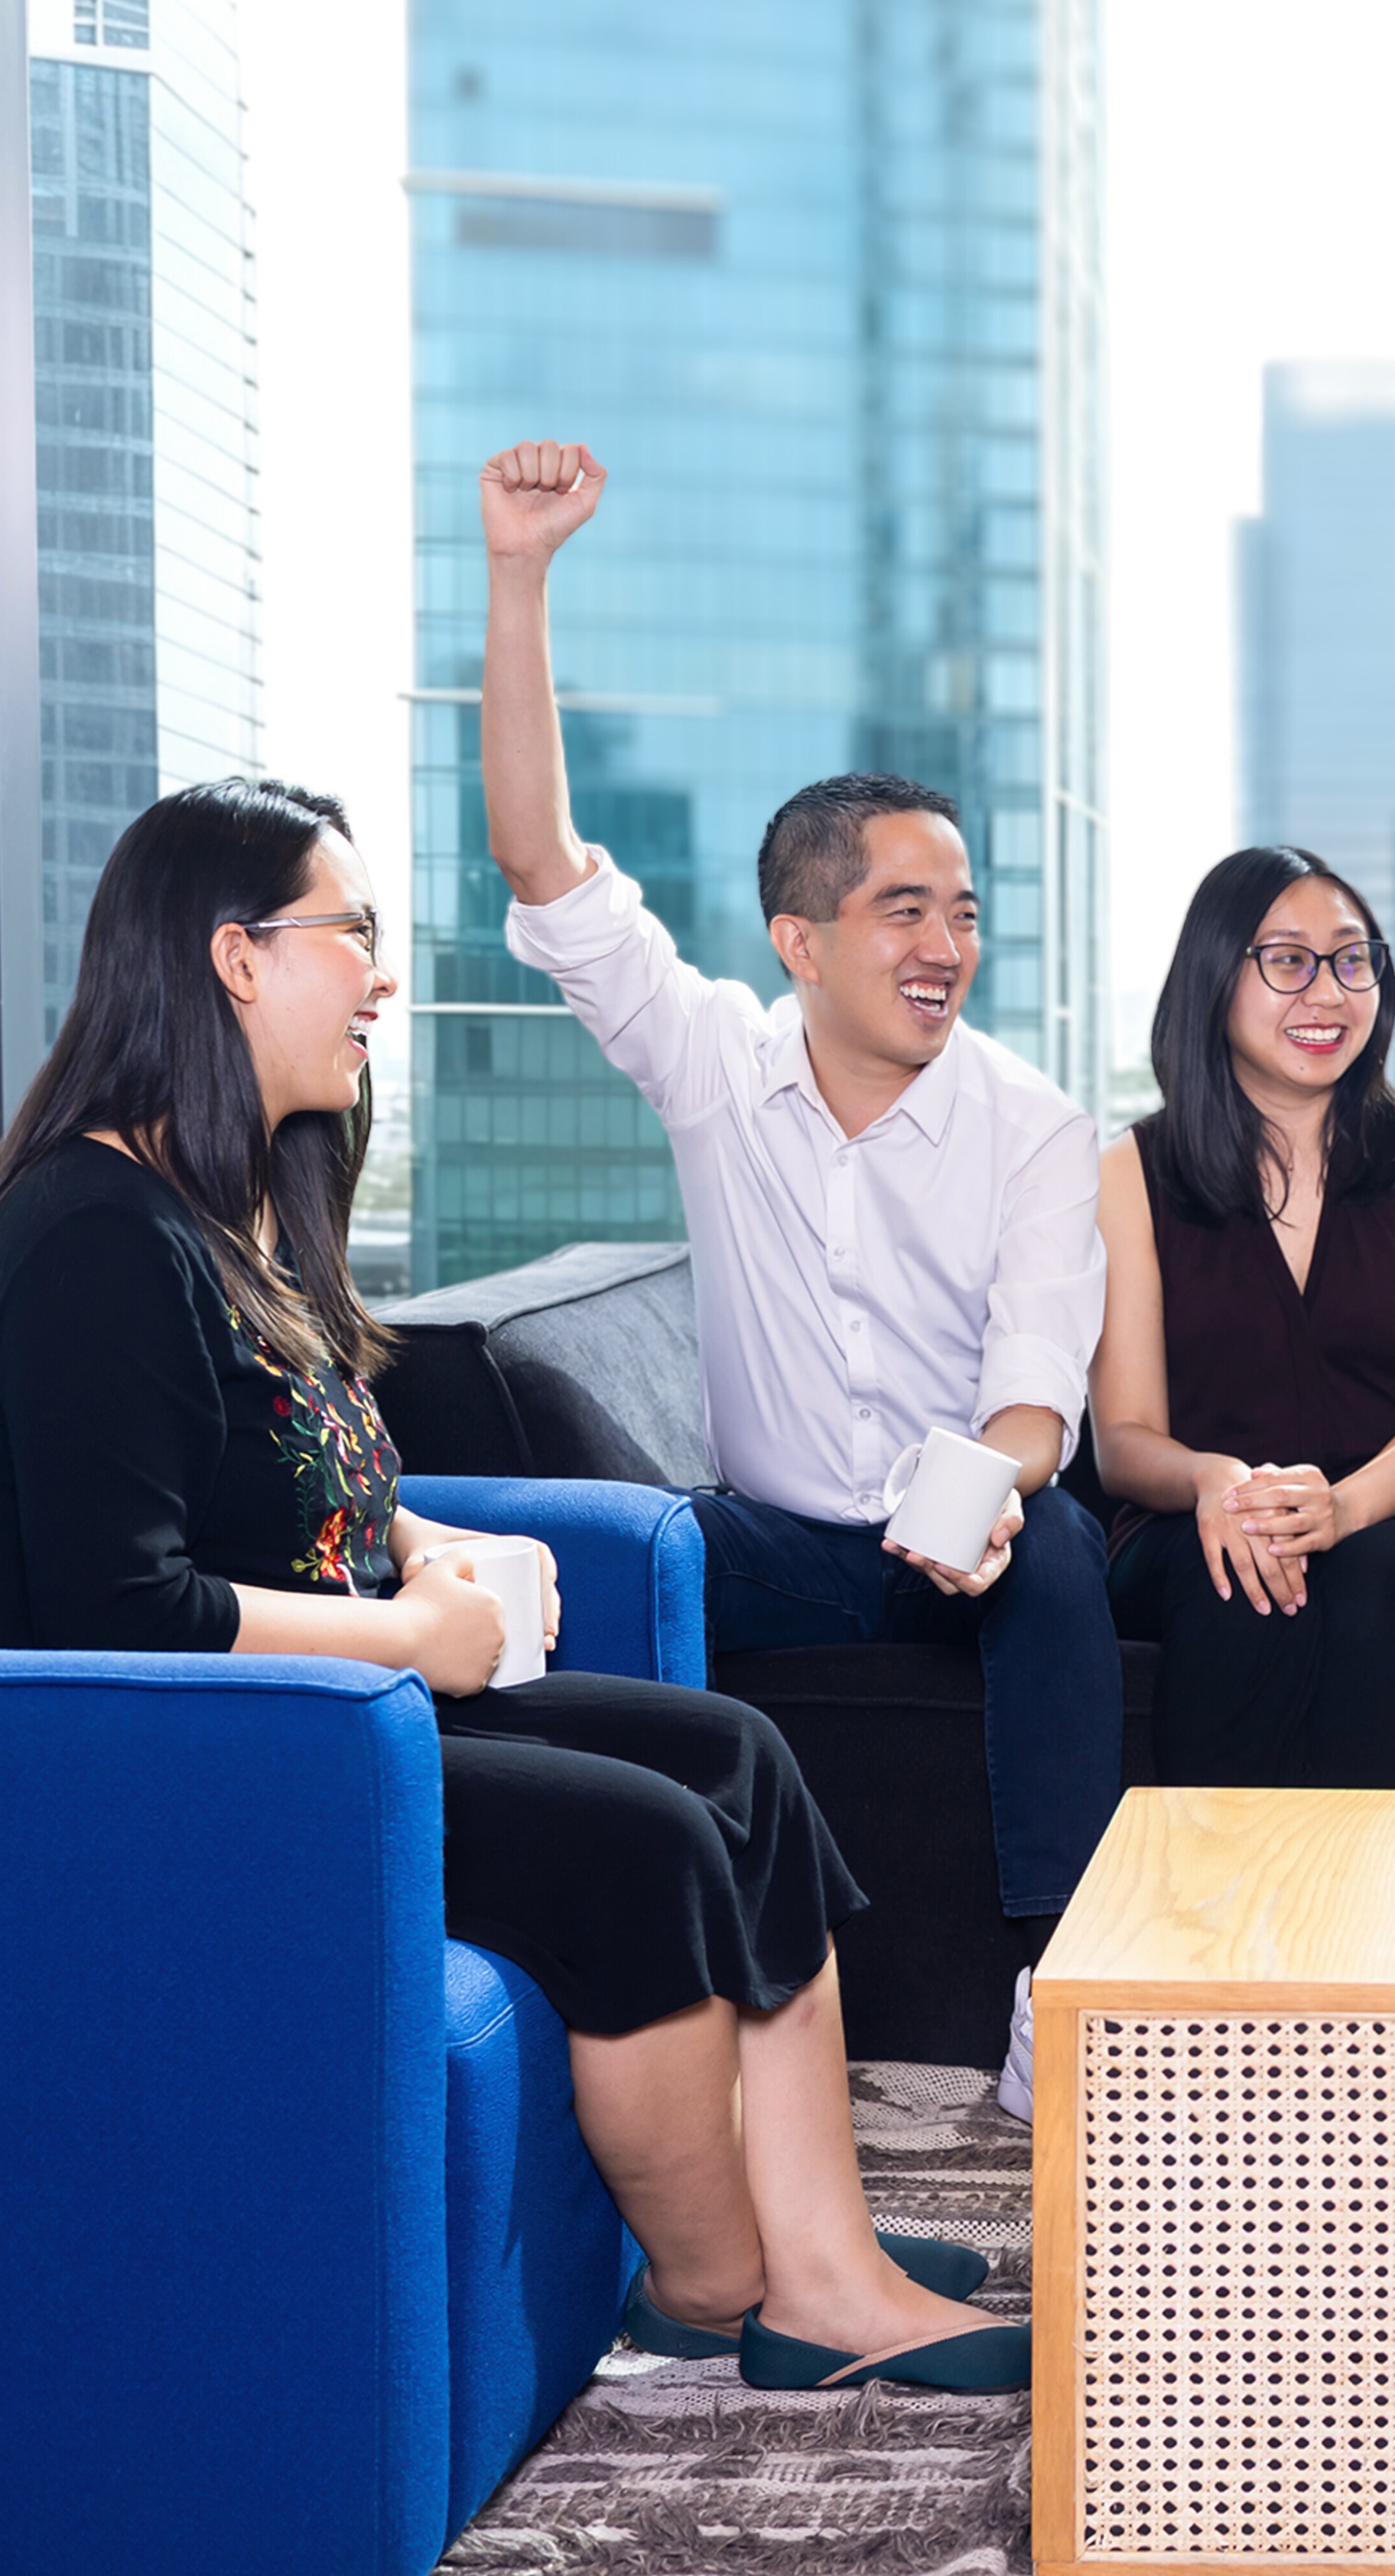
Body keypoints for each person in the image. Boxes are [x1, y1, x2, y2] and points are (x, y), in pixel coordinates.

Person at [0, 779, 1027, 2389]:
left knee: (738, 1756)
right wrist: (418, 1635)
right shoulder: (96, 1236)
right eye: (355, 936)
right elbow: (122, 1611)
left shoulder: (222, 1210)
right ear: (234, 959)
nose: (381, 977)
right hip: (180, 1767)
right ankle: (728, 2285)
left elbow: (282, 1483)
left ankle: (827, 2257)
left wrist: (417, 1546)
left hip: (325, 1711)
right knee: (643, 1842)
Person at [472, 444, 1114, 1964]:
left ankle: (1057, 1975)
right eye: (905, 910)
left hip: (973, 1542)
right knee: (648, 1549)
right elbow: (541, 863)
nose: (946, 944)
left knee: (1070, 1557)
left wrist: (993, 1494)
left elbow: (1038, 1384)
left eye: (964, 912)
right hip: (781, 1540)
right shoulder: (712, 1067)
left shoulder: (1029, 1122)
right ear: (801, 940)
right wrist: (520, 574)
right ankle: (635, 1951)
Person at [1092, 846, 1395, 1785]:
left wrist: (1342, 1508)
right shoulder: (1130, 1171)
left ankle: (1380, 1916)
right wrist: (1219, 1485)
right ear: (1214, 974)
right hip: (1197, 1512)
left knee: (1370, 1576)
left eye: (1351, 960)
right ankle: (1218, 1912)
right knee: (1235, 1572)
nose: (1326, 993)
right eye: (1287, 961)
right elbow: (1122, 1438)